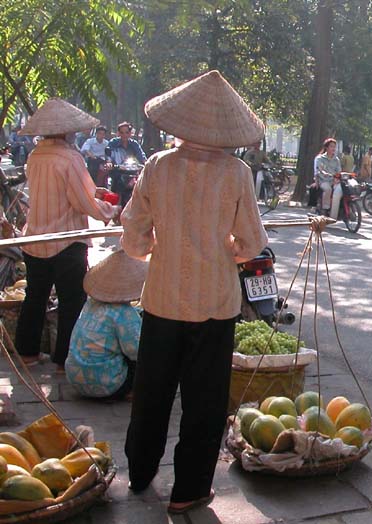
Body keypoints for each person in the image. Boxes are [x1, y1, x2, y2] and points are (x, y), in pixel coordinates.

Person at [121, 70, 268, 514]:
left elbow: (133, 230)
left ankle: (141, 471)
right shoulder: (236, 172)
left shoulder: (158, 166)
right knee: (204, 400)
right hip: (215, 304)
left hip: (162, 298)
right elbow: (251, 242)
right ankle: (188, 490)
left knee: (152, 390)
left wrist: (150, 249)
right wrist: (228, 249)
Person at [13, 99, 120, 374]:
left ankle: (27, 352)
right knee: (71, 300)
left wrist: (92, 194)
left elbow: (62, 190)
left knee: (34, 296)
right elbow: (82, 200)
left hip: (35, 238)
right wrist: (108, 209)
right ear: (67, 132)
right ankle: (64, 359)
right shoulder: (71, 157)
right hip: (67, 239)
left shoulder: (35, 156)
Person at [65, 250, 146, 400]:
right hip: (108, 384)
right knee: (146, 357)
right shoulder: (124, 313)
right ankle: (132, 392)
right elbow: (136, 351)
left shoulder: (90, 304)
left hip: (75, 378)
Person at [106, 122, 147, 205]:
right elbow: (108, 155)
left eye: (127, 132)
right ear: (118, 133)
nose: (124, 135)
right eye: (122, 132)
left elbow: (141, 156)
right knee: (115, 190)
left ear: (130, 133)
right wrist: (109, 163)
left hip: (133, 172)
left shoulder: (134, 144)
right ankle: (113, 209)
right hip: (117, 171)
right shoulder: (113, 143)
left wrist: (146, 163)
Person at [314, 138, 342, 217]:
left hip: (334, 181)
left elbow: (339, 171)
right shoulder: (320, 159)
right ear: (326, 147)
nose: (333, 149)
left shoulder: (336, 160)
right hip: (323, 180)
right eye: (331, 146)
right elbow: (318, 170)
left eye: (334, 147)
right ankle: (325, 209)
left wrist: (337, 178)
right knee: (328, 189)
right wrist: (322, 175)